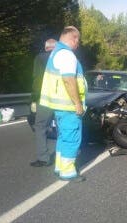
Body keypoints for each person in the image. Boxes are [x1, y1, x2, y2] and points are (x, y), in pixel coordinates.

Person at [40, 26, 87, 182]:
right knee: (71, 138)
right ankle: (68, 172)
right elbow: (68, 80)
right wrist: (78, 104)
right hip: (68, 106)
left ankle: (60, 167)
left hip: (60, 106)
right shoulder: (67, 55)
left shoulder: (56, 52)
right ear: (73, 38)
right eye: (77, 40)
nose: (78, 44)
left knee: (63, 137)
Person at [30, 39, 57, 167]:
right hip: (61, 99)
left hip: (45, 98)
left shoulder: (40, 58)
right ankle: (64, 156)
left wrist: (34, 97)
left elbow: (37, 79)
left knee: (40, 127)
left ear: (46, 47)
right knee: (63, 128)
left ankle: (44, 158)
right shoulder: (62, 58)